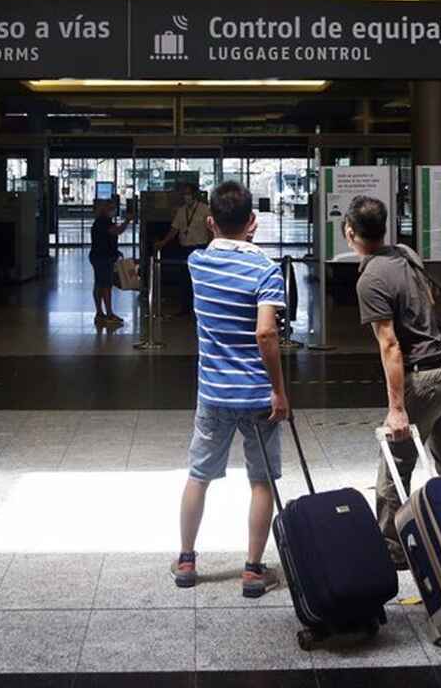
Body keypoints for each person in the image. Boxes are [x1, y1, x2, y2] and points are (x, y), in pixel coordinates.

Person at [171, 180, 291, 599]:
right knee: (261, 482)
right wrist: (279, 391)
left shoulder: (197, 264)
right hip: (258, 395)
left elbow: (214, 246)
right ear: (253, 223)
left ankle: (186, 560)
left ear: (210, 223)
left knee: (199, 476)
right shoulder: (267, 271)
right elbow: (266, 334)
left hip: (213, 393)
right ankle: (253, 571)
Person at [343, 193, 441, 567]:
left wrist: (397, 409)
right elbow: (428, 300)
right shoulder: (407, 253)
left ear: (350, 232)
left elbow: (390, 345)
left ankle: (391, 549)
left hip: (421, 381)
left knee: (393, 468)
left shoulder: (370, 279)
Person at [156, 180, 212, 316]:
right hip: (185, 249)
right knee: (184, 280)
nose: (186, 196)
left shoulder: (205, 209)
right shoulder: (181, 211)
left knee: (199, 280)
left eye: (188, 193)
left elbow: (211, 229)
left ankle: (200, 309)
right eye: (184, 194)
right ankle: (185, 309)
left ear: (194, 194)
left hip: (200, 247)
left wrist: (211, 247)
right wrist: (162, 242)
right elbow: (174, 229)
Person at [89, 197, 130, 329]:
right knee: (106, 285)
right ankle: (109, 314)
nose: (114, 210)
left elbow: (105, 239)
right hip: (103, 258)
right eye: (112, 208)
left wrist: (115, 251)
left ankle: (100, 313)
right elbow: (116, 231)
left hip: (98, 256)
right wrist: (127, 221)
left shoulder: (100, 221)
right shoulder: (103, 222)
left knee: (99, 283)